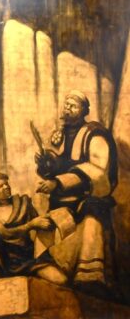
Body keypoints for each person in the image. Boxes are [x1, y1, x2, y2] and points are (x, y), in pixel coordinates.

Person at [33, 91, 118, 291]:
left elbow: (97, 172)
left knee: (91, 214)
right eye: (66, 104)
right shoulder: (60, 134)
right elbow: (60, 165)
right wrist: (47, 164)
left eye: (73, 106)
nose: (68, 109)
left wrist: (58, 183)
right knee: (45, 230)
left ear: (84, 111)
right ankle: (56, 271)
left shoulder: (94, 134)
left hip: (87, 198)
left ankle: (88, 276)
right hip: (62, 202)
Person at [0, 172, 52, 278]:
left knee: (61, 280)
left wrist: (42, 196)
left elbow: (42, 223)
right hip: (6, 259)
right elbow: (6, 234)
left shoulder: (23, 202)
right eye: (0, 186)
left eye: (6, 183)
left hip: (29, 255)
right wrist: (31, 225)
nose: (6, 187)